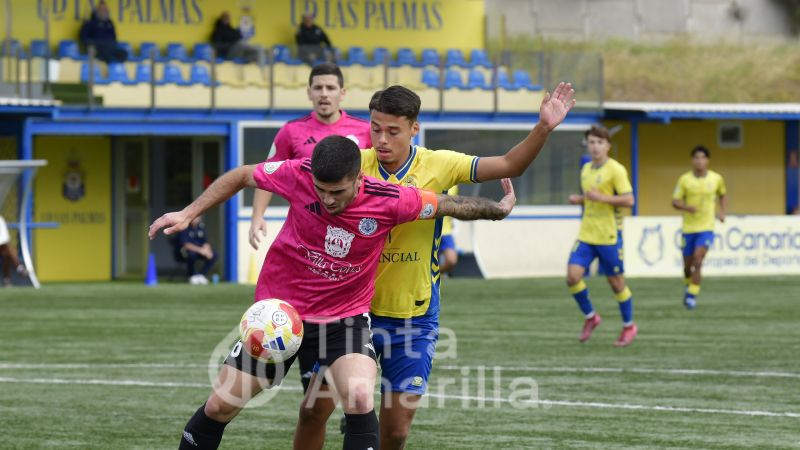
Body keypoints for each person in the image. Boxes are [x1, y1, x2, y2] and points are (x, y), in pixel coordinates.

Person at [148, 135, 517, 450]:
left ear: (359, 179)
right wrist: (189, 212)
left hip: (344, 319)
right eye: (321, 191)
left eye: (337, 191)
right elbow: (244, 175)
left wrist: (497, 211)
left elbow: (448, 203)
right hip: (280, 316)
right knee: (218, 407)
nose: (327, 200)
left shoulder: (391, 199)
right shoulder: (298, 173)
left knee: (358, 397)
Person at [292, 82, 575, 450]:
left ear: (414, 129)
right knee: (314, 410)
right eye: (375, 128)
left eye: (393, 131)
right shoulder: (354, 165)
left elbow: (510, 164)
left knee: (394, 431)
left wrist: (543, 128)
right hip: (351, 314)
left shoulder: (439, 164)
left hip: (414, 318)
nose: (381, 139)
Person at [249, 62, 371, 393]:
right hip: (306, 247)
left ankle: (352, 386)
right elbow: (266, 174)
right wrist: (257, 215)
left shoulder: (364, 132)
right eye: (318, 87)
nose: (324, 94)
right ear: (308, 92)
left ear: (343, 93)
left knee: (352, 315)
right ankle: (312, 383)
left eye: (331, 88)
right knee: (305, 313)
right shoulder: (291, 132)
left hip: (352, 248)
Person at [566, 125, 637, 347]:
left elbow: (629, 200)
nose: (595, 146)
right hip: (587, 234)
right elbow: (591, 197)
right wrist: (581, 199)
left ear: (607, 145)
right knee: (572, 277)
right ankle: (591, 317)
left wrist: (601, 198)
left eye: (599, 142)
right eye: (592, 142)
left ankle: (629, 326)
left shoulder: (616, 170)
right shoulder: (586, 169)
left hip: (608, 236)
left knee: (616, 284)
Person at [671, 145, 727, 309]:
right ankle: (688, 285)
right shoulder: (684, 180)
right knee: (687, 266)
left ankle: (691, 296)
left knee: (698, 259)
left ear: (708, 160)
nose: (699, 161)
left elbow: (722, 195)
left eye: (703, 157)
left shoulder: (716, 179)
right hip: (689, 229)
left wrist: (722, 212)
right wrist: (686, 207)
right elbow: (675, 201)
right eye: (696, 157)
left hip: (706, 228)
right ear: (692, 160)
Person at [176, 216, 217, 285]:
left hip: (200, 251)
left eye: (197, 217)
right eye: (194, 217)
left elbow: (205, 241)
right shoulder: (184, 227)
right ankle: (192, 275)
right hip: (185, 252)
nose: (196, 219)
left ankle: (201, 275)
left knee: (214, 254)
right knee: (192, 255)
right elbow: (186, 245)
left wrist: (207, 250)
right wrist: (200, 250)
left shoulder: (200, 227)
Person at [0, 215, 28, 287]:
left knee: (7, 254)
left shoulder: (1, 219)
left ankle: (7, 279)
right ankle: (19, 268)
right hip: (3, 246)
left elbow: (4, 237)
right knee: (8, 252)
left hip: (2, 246)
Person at [438, 186, 459, 274]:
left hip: (446, 231)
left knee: (451, 261)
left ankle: (435, 274)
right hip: (430, 230)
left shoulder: (454, 186)